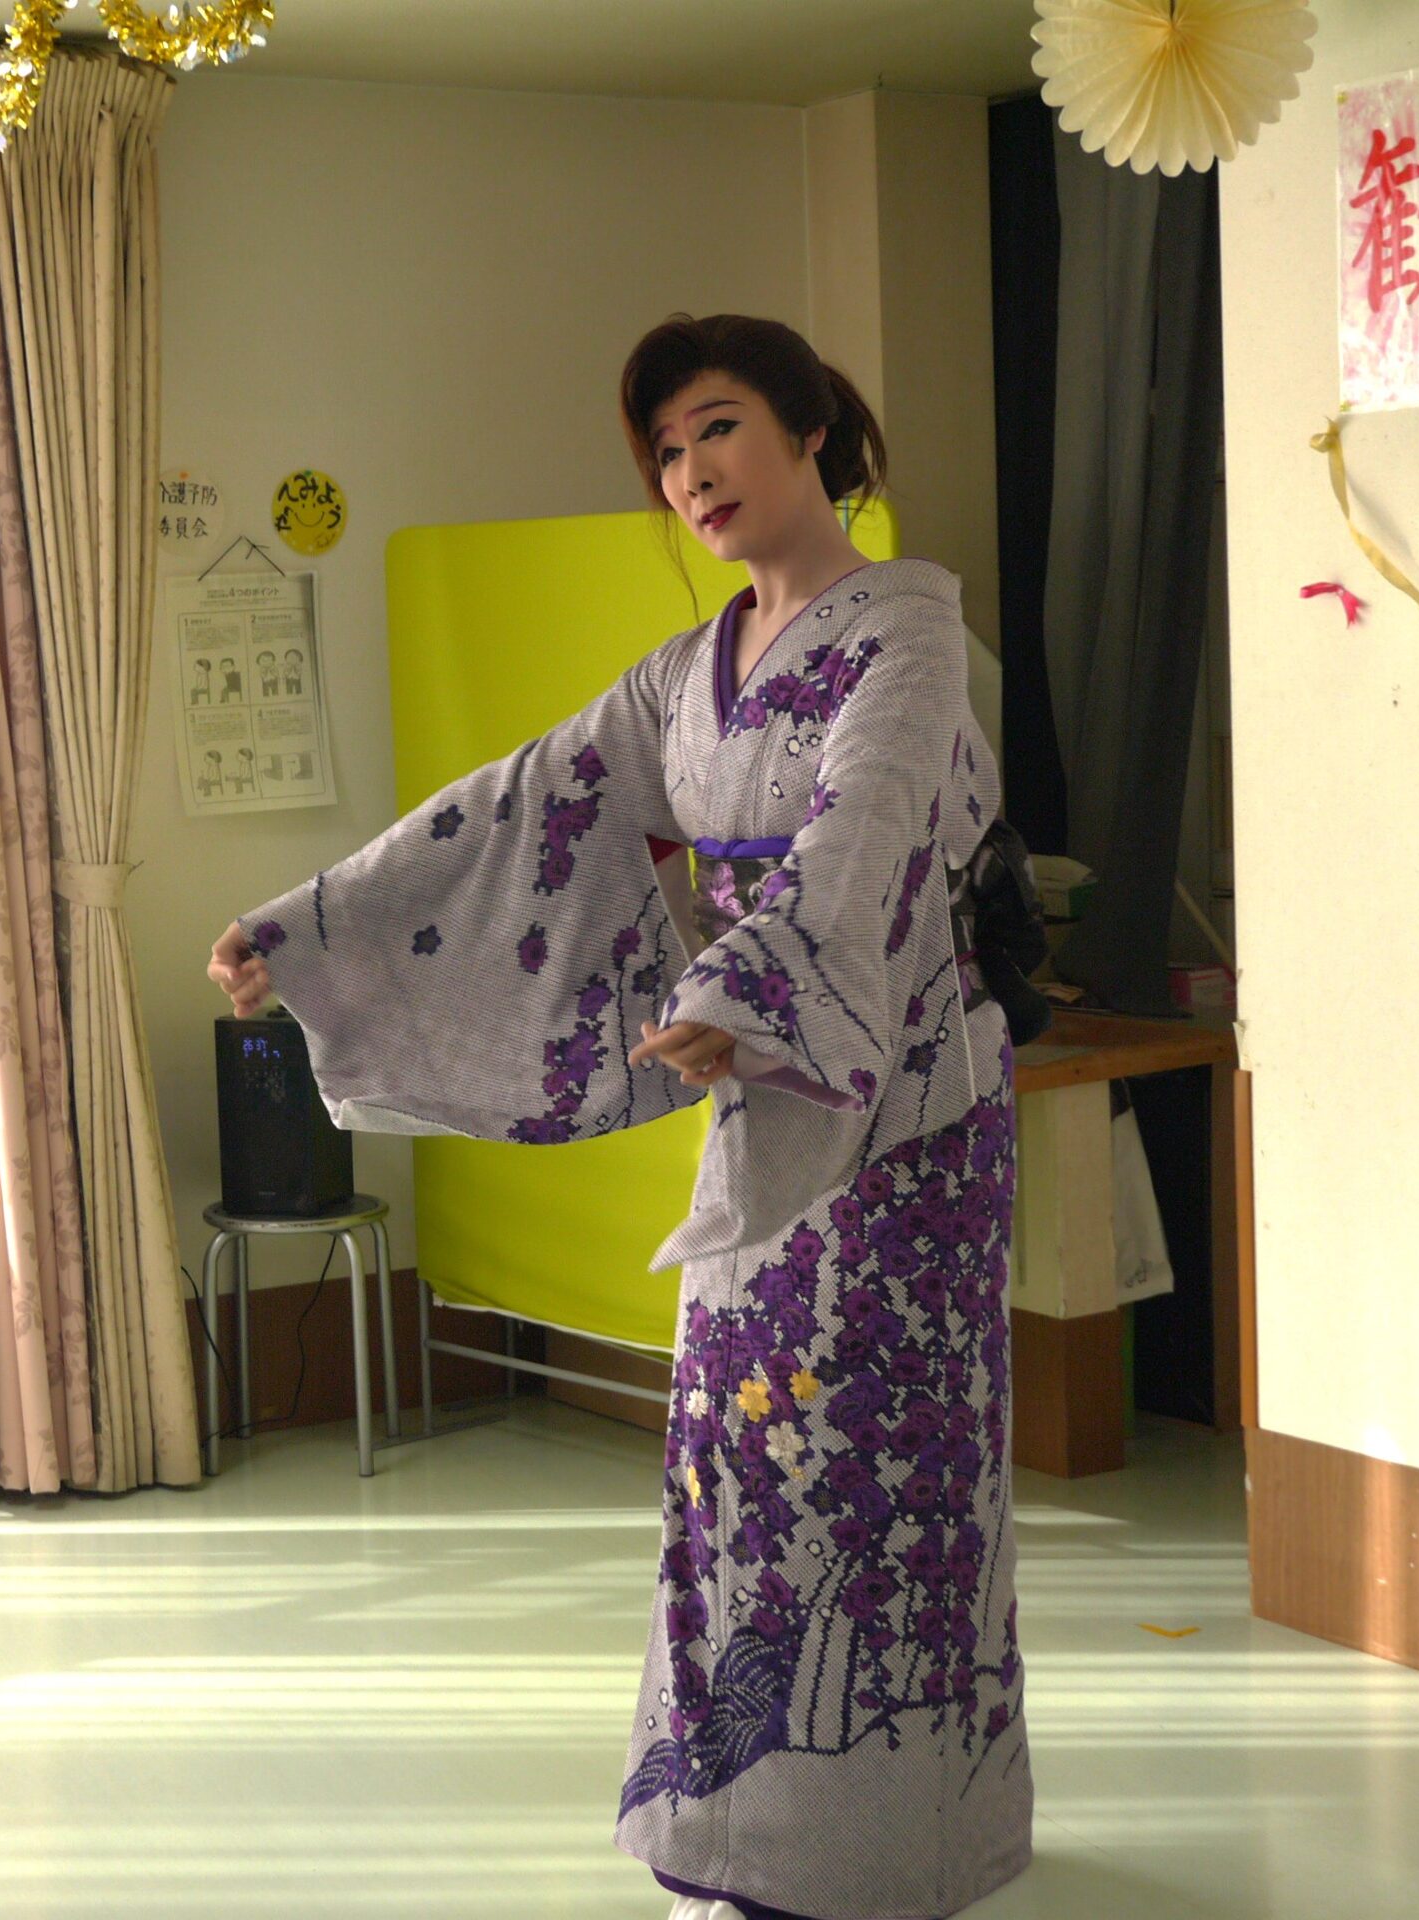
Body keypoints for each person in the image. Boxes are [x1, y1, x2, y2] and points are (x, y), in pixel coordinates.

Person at [208, 314, 1031, 1920]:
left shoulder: (907, 631)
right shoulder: (689, 675)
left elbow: (861, 833)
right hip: (769, 1101)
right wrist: (311, 928)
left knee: (884, 1463)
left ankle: (909, 1838)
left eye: (717, 425)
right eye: (664, 450)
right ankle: (741, 1822)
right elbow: (521, 806)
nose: (690, 471)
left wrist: (755, 981)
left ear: (809, 427)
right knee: (740, 1449)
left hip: (906, 1118)